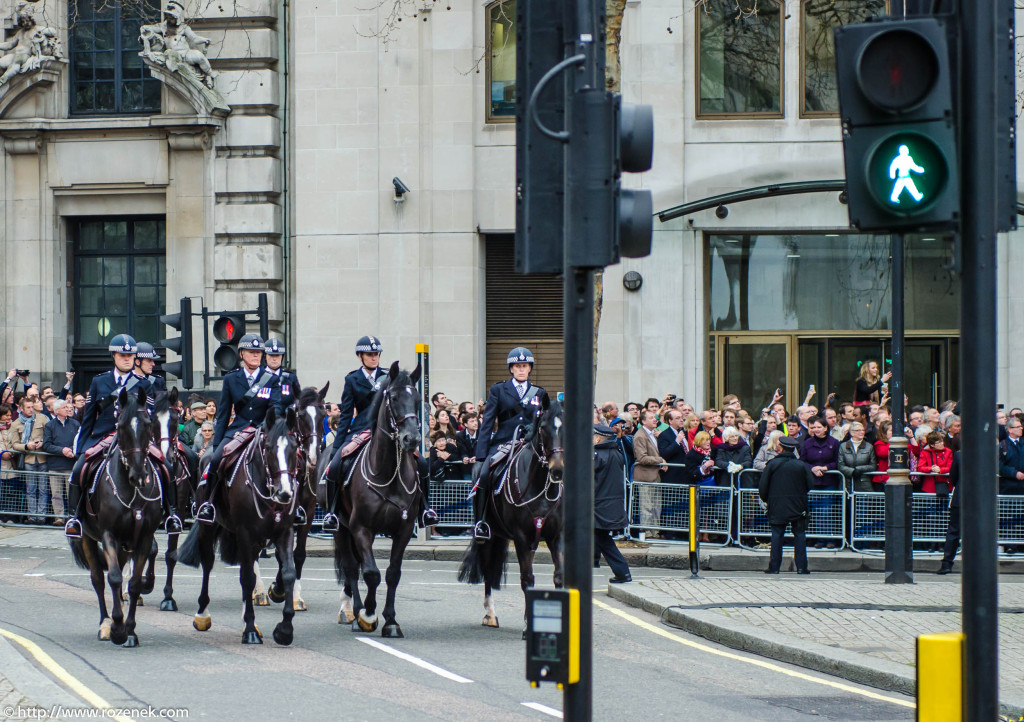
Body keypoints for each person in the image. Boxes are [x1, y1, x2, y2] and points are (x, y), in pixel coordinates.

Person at [65, 334, 182, 538]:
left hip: (135, 439)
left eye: (130, 355)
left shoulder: (144, 384)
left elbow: (151, 417)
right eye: (122, 355)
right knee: (78, 469)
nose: (127, 358)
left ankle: (171, 514)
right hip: (103, 437)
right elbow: (89, 417)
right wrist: (81, 447)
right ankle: (74, 517)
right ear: (114, 356)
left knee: (166, 467)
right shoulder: (99, 382)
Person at [194, 333, 283, 525]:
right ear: (241, 354)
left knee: (286, 460)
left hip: (262, 430)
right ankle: (208, 504)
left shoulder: (271, 379)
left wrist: (266, 427)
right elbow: (224, 412)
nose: (256, 356)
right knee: (215, 459)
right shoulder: (231, 379)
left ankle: (290, 506)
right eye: (251, 352)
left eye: (259, 352)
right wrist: (216, 445)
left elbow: (275, 407)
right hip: (237, 431)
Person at [471, 346, 546, 541]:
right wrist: (481, 455)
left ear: (530, 368)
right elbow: (487, 422)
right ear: (511, 369)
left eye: (525, 366)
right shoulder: (498, 389)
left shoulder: (540, 393)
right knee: (484, 473)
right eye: (517, 366)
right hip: (504, 442)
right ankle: (481, 522)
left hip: (530, 444)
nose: (521, 369)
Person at [322, 335, 388, 532]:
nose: (374, 358)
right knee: (335, 466)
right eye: (369, 354)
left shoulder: (388, 377)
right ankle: (332, 512)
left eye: (376, 354)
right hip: (360, 429)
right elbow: (345, 415)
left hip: (385, 431)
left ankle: (425, 510)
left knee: (418, 463)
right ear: (360, 356)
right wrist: (336, 448)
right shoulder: (352, 379)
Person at [759, 435, 814, 574]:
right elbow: (810, 484)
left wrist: (767, 500)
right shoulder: (801, 465)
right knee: (800, 534)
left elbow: (763, 486)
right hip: (798, 504)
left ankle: (774, 567)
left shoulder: (772, 464)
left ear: (781, 448)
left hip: (777, 504)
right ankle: (802, 567)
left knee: (777, 534)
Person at [593, 424, 631, 583]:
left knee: (602, 539)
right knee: (597, 536)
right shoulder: (616, 452)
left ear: (597, 438)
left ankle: (623, 572)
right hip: (610, 504)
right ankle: (592, 561)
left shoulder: (596, 455)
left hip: (598, 505)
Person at [8, 394, 48, 523]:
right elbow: (14, 444)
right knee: (30, 489)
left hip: (42, 458)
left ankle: (41, 517)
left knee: (43, 489)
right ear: (21, 409)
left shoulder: (42, 418)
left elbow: (49, 435)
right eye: (28, 407)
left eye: (32, 407)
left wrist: (42, 442)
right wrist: (26, 446)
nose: (31, 409)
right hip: (28, 460)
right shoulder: (15, 424)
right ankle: (32, 516)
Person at [41, 399, 79, 525]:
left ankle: (72, 517)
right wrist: (62, 450)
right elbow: (46, 445)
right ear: (57, 411)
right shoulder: (50, 425)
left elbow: (79, 442)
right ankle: (59, 518)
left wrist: (72, 451)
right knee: (56, 494)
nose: (68, 409)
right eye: (64, 407)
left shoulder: (75, 424)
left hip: (70, 464)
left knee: (71, 494)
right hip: (55, 465)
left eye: (69, 407)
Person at [632, 409, 666, 538]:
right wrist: (660, 460)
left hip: (655, 475)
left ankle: (655, 532)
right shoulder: (640, 435)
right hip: (645, 475)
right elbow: (642, 458)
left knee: (657, 505)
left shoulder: (653, 434)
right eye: (651, 417)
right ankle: (646, 532)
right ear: (643, 421)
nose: (655, 419)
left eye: (655, 417)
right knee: (646, 505)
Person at [937, 451, 961, 574]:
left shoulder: (959, 454)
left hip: (960, 497)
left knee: (953, 532)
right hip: (979, 500)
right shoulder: (986, 453)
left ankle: (946, 563)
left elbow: (953, 476)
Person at [838, 422, 877, 492]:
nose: (861, 432)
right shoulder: (843, 446)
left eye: (863, 430)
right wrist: (852, 471)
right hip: (847, 484)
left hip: (864, 483)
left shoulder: (869, 447)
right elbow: (840, 465)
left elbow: (873, 465)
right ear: (852, 433)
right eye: (858, 430)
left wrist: (859, 469)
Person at [264, 338, 301, 407]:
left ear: (282, 357)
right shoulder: (259, 375)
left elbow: (298, 399)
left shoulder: (290, 378)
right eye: (271, 355)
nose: (274, 359)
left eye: (277, 355)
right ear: (265, 356)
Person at [133, 342, 166, 407]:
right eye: (149, 360)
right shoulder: (124, 381)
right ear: (137, 362)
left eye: (153, 360)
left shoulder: (158, 382)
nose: (153, 364)